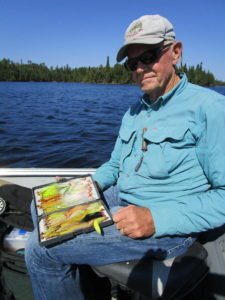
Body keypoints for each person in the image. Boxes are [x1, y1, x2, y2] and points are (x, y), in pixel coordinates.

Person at [25, 14, 225, 299]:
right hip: (128, 199)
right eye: (133, 63)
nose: (141, 69)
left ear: (176, 52)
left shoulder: (211, 109)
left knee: (40, 249)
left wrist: (156, 218)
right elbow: (116, 165)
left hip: (171, 224)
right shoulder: (134, 112)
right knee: (40, 207)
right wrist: (85, 187)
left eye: (150, 56)